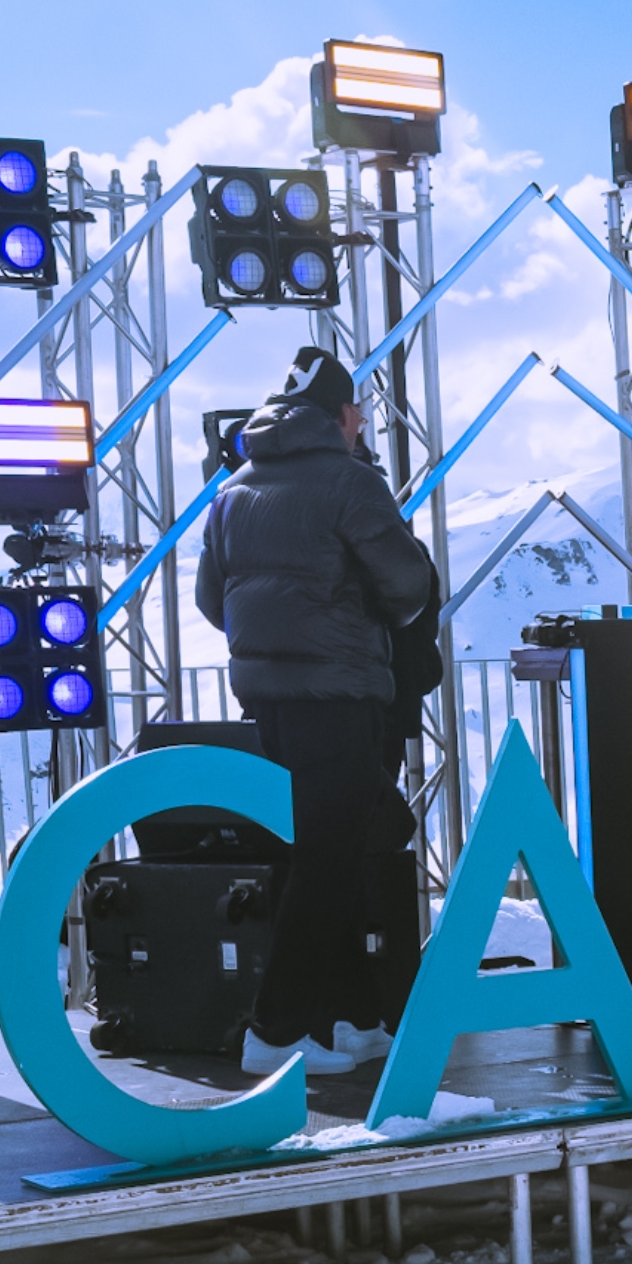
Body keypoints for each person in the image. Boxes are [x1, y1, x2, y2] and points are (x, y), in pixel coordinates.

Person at [195, 347, 432, 1076]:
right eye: (357, 407)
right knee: (331, 860)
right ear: (339, 415)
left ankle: (358, 1021)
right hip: (341, 690)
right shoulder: (350, 481)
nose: (363, 419)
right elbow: (407, 582)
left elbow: (212, 600)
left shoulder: (234, 490)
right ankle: (275, 1031)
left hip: (269, 697)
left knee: (343, 846)